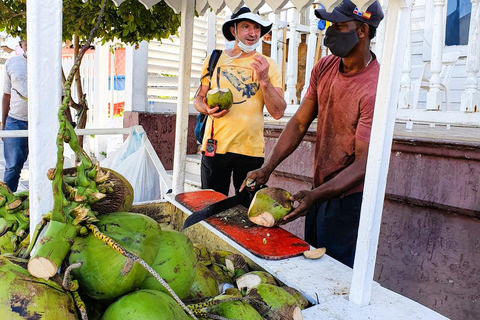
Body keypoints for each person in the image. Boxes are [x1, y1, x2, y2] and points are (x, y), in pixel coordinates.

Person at [241, 0, 384, 268]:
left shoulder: (374, 88)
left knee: (335, 274)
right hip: (319, 191)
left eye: (339, 26)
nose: (329, 33)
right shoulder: (325, 67)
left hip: (347, 200)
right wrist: (268, 167)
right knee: (313, 264)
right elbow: (298, 123)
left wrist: (317, 195)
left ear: (362, 31)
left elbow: (365, 163)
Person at [194, 7, 286, 196]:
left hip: (250, 150)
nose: (252, 33)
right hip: (215, 147)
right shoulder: (215, 59)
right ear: (234, 31)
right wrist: (206, 109)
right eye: (246, 27)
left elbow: (278, 112)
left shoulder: (268, 65)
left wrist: (264, 80)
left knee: (245, 210)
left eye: (257, 28)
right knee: (212, 206)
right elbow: (198, 98)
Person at [2, 39, 28, 192]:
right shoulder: (12, 63)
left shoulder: (48, 63)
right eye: (26, 42)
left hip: (44, 122)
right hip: (16, 120)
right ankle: (7, 204)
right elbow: (6, 95)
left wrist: (69, 122)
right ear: (21, 44)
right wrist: (4, 125)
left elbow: (62, 96)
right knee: (12, 167)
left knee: (46, 166)